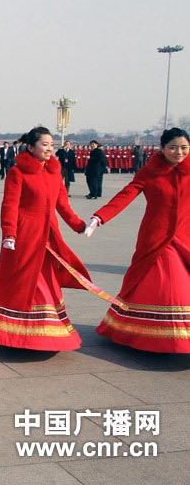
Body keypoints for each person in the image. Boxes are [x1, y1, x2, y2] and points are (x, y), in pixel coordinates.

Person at [0, 126, 92, 351]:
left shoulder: (54, 172)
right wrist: (9, 233)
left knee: (46, 280)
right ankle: (14, 330)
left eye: (51, 145)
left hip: (48, 236)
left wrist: (78, 225)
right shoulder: (18, 173)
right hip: (25, 234)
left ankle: (45, 330)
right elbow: (10, 204)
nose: (49, 149)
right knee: (24, 281)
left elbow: (62, 204)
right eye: (44, 144)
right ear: (30, 147)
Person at [84, 128, 190, 353]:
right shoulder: (151, 172)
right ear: (162, 149)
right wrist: (100, 217)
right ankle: (163, 338)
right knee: (172, 286)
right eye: (172, 147)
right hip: (156, 237)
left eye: (183, 148)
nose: (178, 152)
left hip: (185, 237)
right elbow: (127, 194)